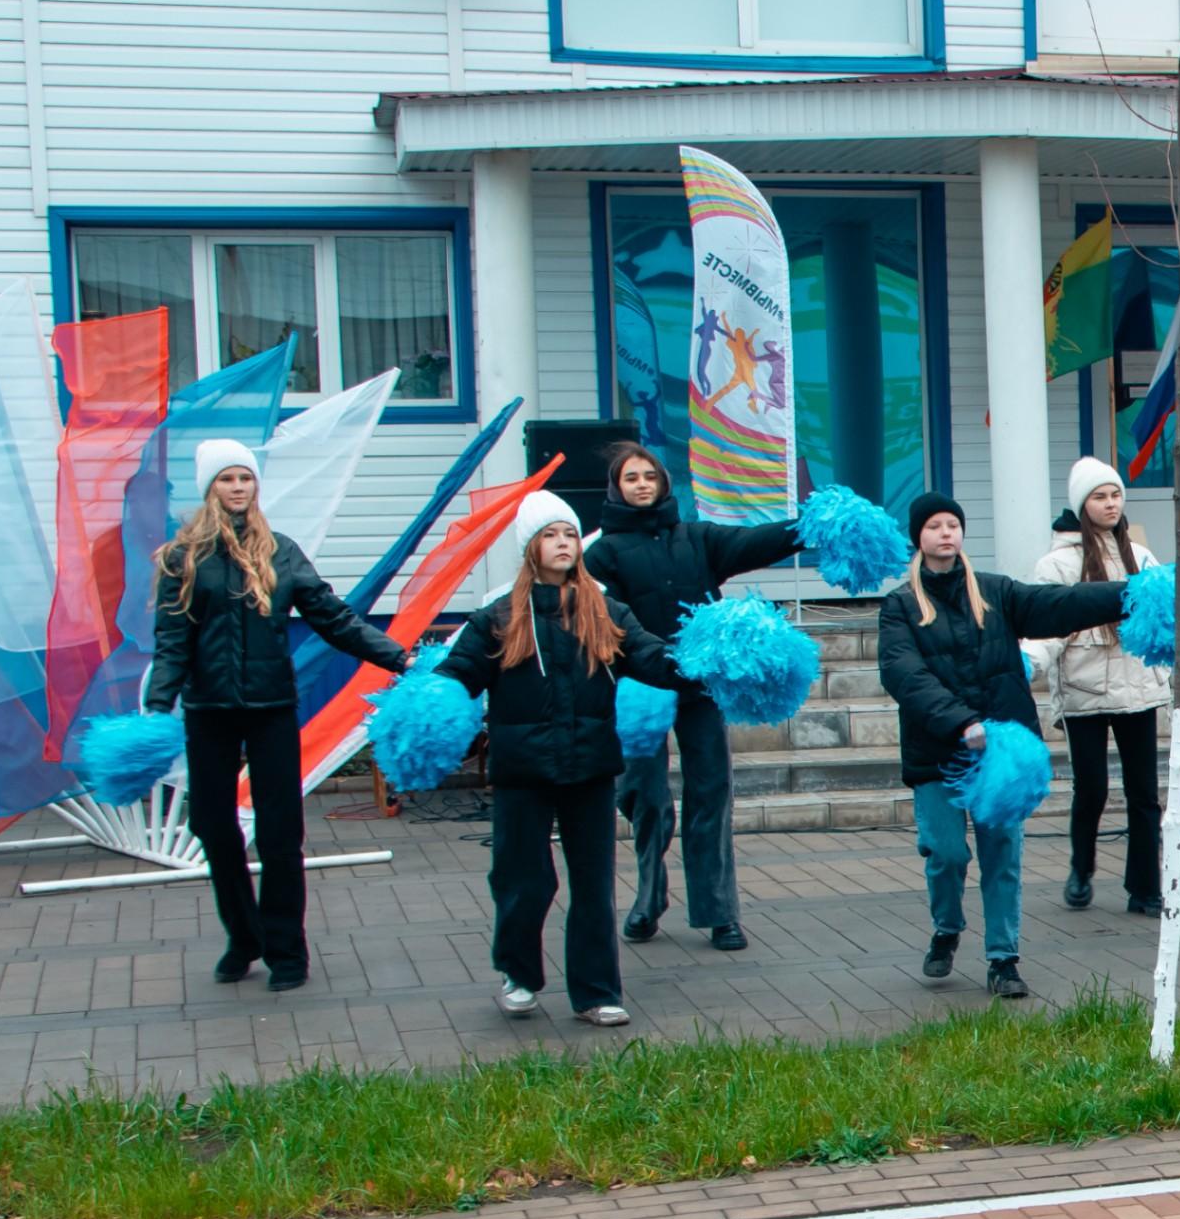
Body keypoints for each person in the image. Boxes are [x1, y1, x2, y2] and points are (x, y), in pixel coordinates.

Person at [147, 438, 410, 992]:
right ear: (210, 488)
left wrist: (397, 658)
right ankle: (243, 938)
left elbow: (334, 619)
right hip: (208, 710)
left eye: (245, 478)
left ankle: (288, 951)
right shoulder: (183, 559)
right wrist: (154, 709)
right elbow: (171, 642)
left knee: (280, 833)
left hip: (271, 708)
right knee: (213, 830)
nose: (238, 488)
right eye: (227, 479)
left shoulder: (281, 552)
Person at [438, 493, 690, 1028]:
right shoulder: (499, 613)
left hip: (591, 768)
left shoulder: (604, 608)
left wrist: (698, 662)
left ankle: (596, 993)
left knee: (594, 884)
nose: (563, 544)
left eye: (570, 535)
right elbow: (459, 673)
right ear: (530, 546)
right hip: (522, 773)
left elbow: (648, 655)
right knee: (523, 881)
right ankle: (519, 975)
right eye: (551, 535)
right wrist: (428, 699)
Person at [878, 492, 1127, 997]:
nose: (946, 533)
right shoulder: (899, 605)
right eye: (934, 526)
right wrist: (961, 723)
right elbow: (904, 674)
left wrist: (1132, 594)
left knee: (1002, 856)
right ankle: (947, 928)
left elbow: (1058, 605)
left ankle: (1003, 958)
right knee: (946, 854)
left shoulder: (995, 592)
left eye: (953, 524)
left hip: (1001, 756)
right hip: (939, 753)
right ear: (918, 537)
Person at [585, 441, 801, 952]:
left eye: (649, 476)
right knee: (645, 799)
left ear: (662, 483)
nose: (641, 484)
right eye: (630, 478)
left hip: (702, 688)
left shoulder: (697, 538)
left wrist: (811, 526)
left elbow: (755, 541)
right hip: (640, 688)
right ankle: (648, 899)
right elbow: (607, 622)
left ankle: (719, 912)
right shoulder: (601, 554)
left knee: (711, 793)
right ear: (617, 488)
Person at [1028, 457, 1169, 917]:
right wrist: (1029, 662)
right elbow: (1046, 626)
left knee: (1144, 793)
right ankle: (1081, 869)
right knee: (1092, 789)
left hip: (1138, 692)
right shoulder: (1057, 563)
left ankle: (1145, 888)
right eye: (1099, 496)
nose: (1110, 504)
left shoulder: (1141, 556)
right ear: (1080, 504)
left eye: (1115, 495)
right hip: (1084, 694)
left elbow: (1165, 618)